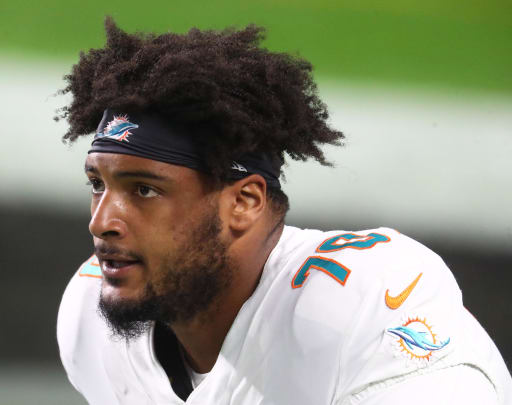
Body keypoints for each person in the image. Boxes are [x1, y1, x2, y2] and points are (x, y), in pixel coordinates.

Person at [55, 18, 512, 404]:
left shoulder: (358, 302)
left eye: (144, 190)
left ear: (244, 202)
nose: (102, 222)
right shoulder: (89, 315)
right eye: (98, 185)